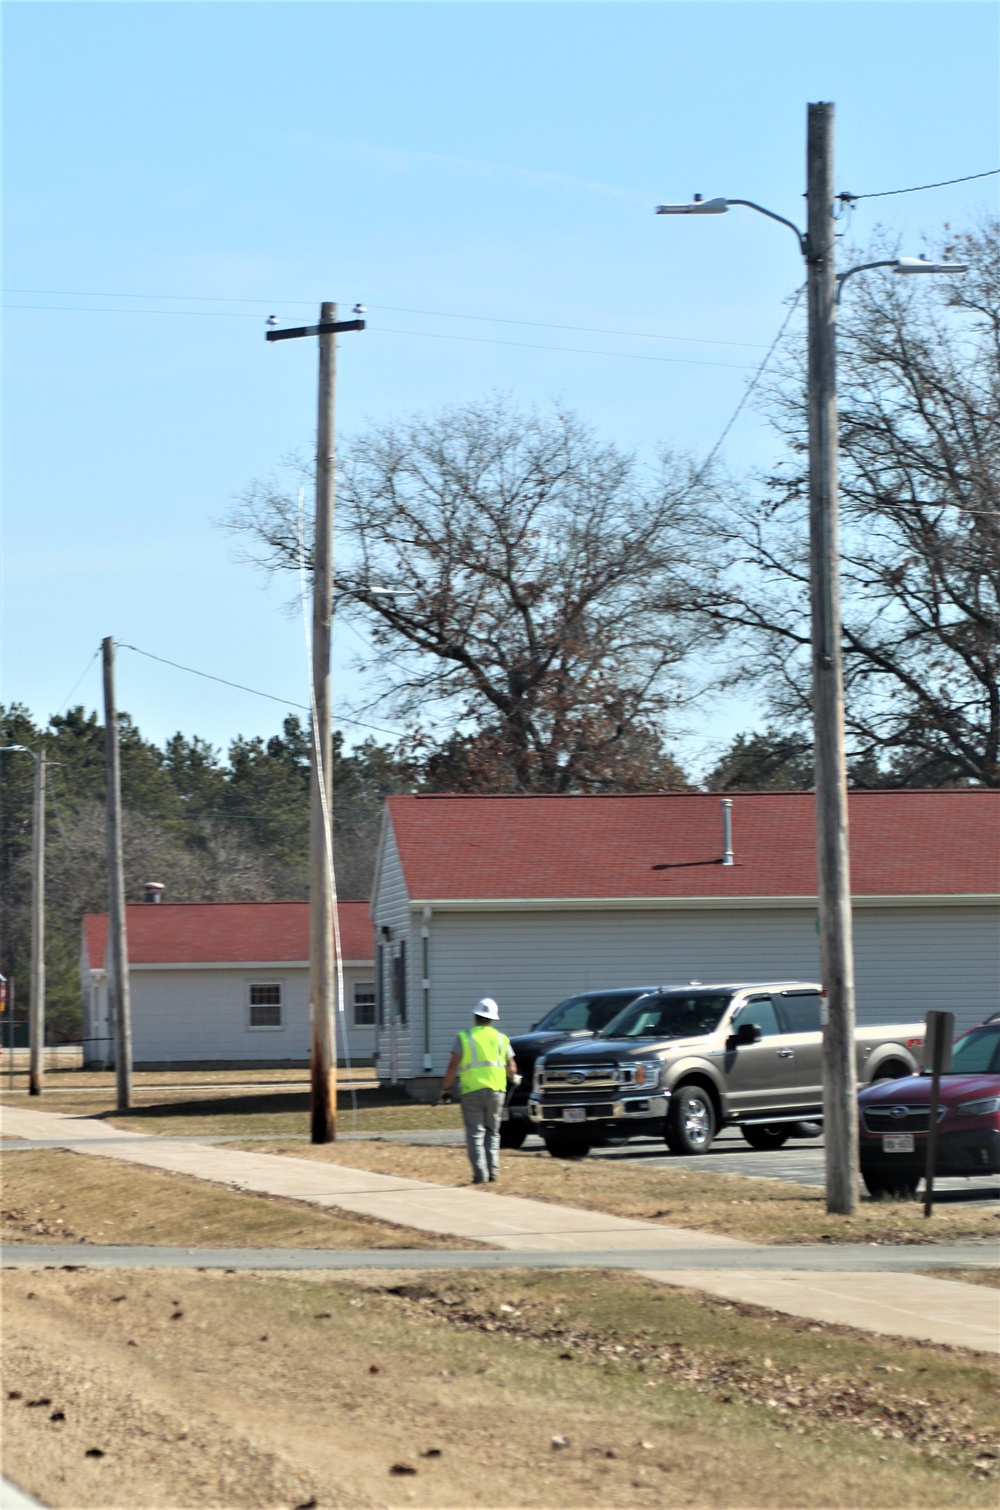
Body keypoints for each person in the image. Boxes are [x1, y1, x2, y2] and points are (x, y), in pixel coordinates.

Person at [440, 998, 519, 1184]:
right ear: (492, 1019)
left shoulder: (464, 1037)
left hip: (472, 1091)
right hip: (497, 1091)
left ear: (475, 1017)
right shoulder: (502, 1039)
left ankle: (480, 1174)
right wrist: (513, 1078)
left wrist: (445, 1088)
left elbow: (453, 1064)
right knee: (493, 1131)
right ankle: (493, 1172)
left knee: (475, 1133)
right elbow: (512, 1067)